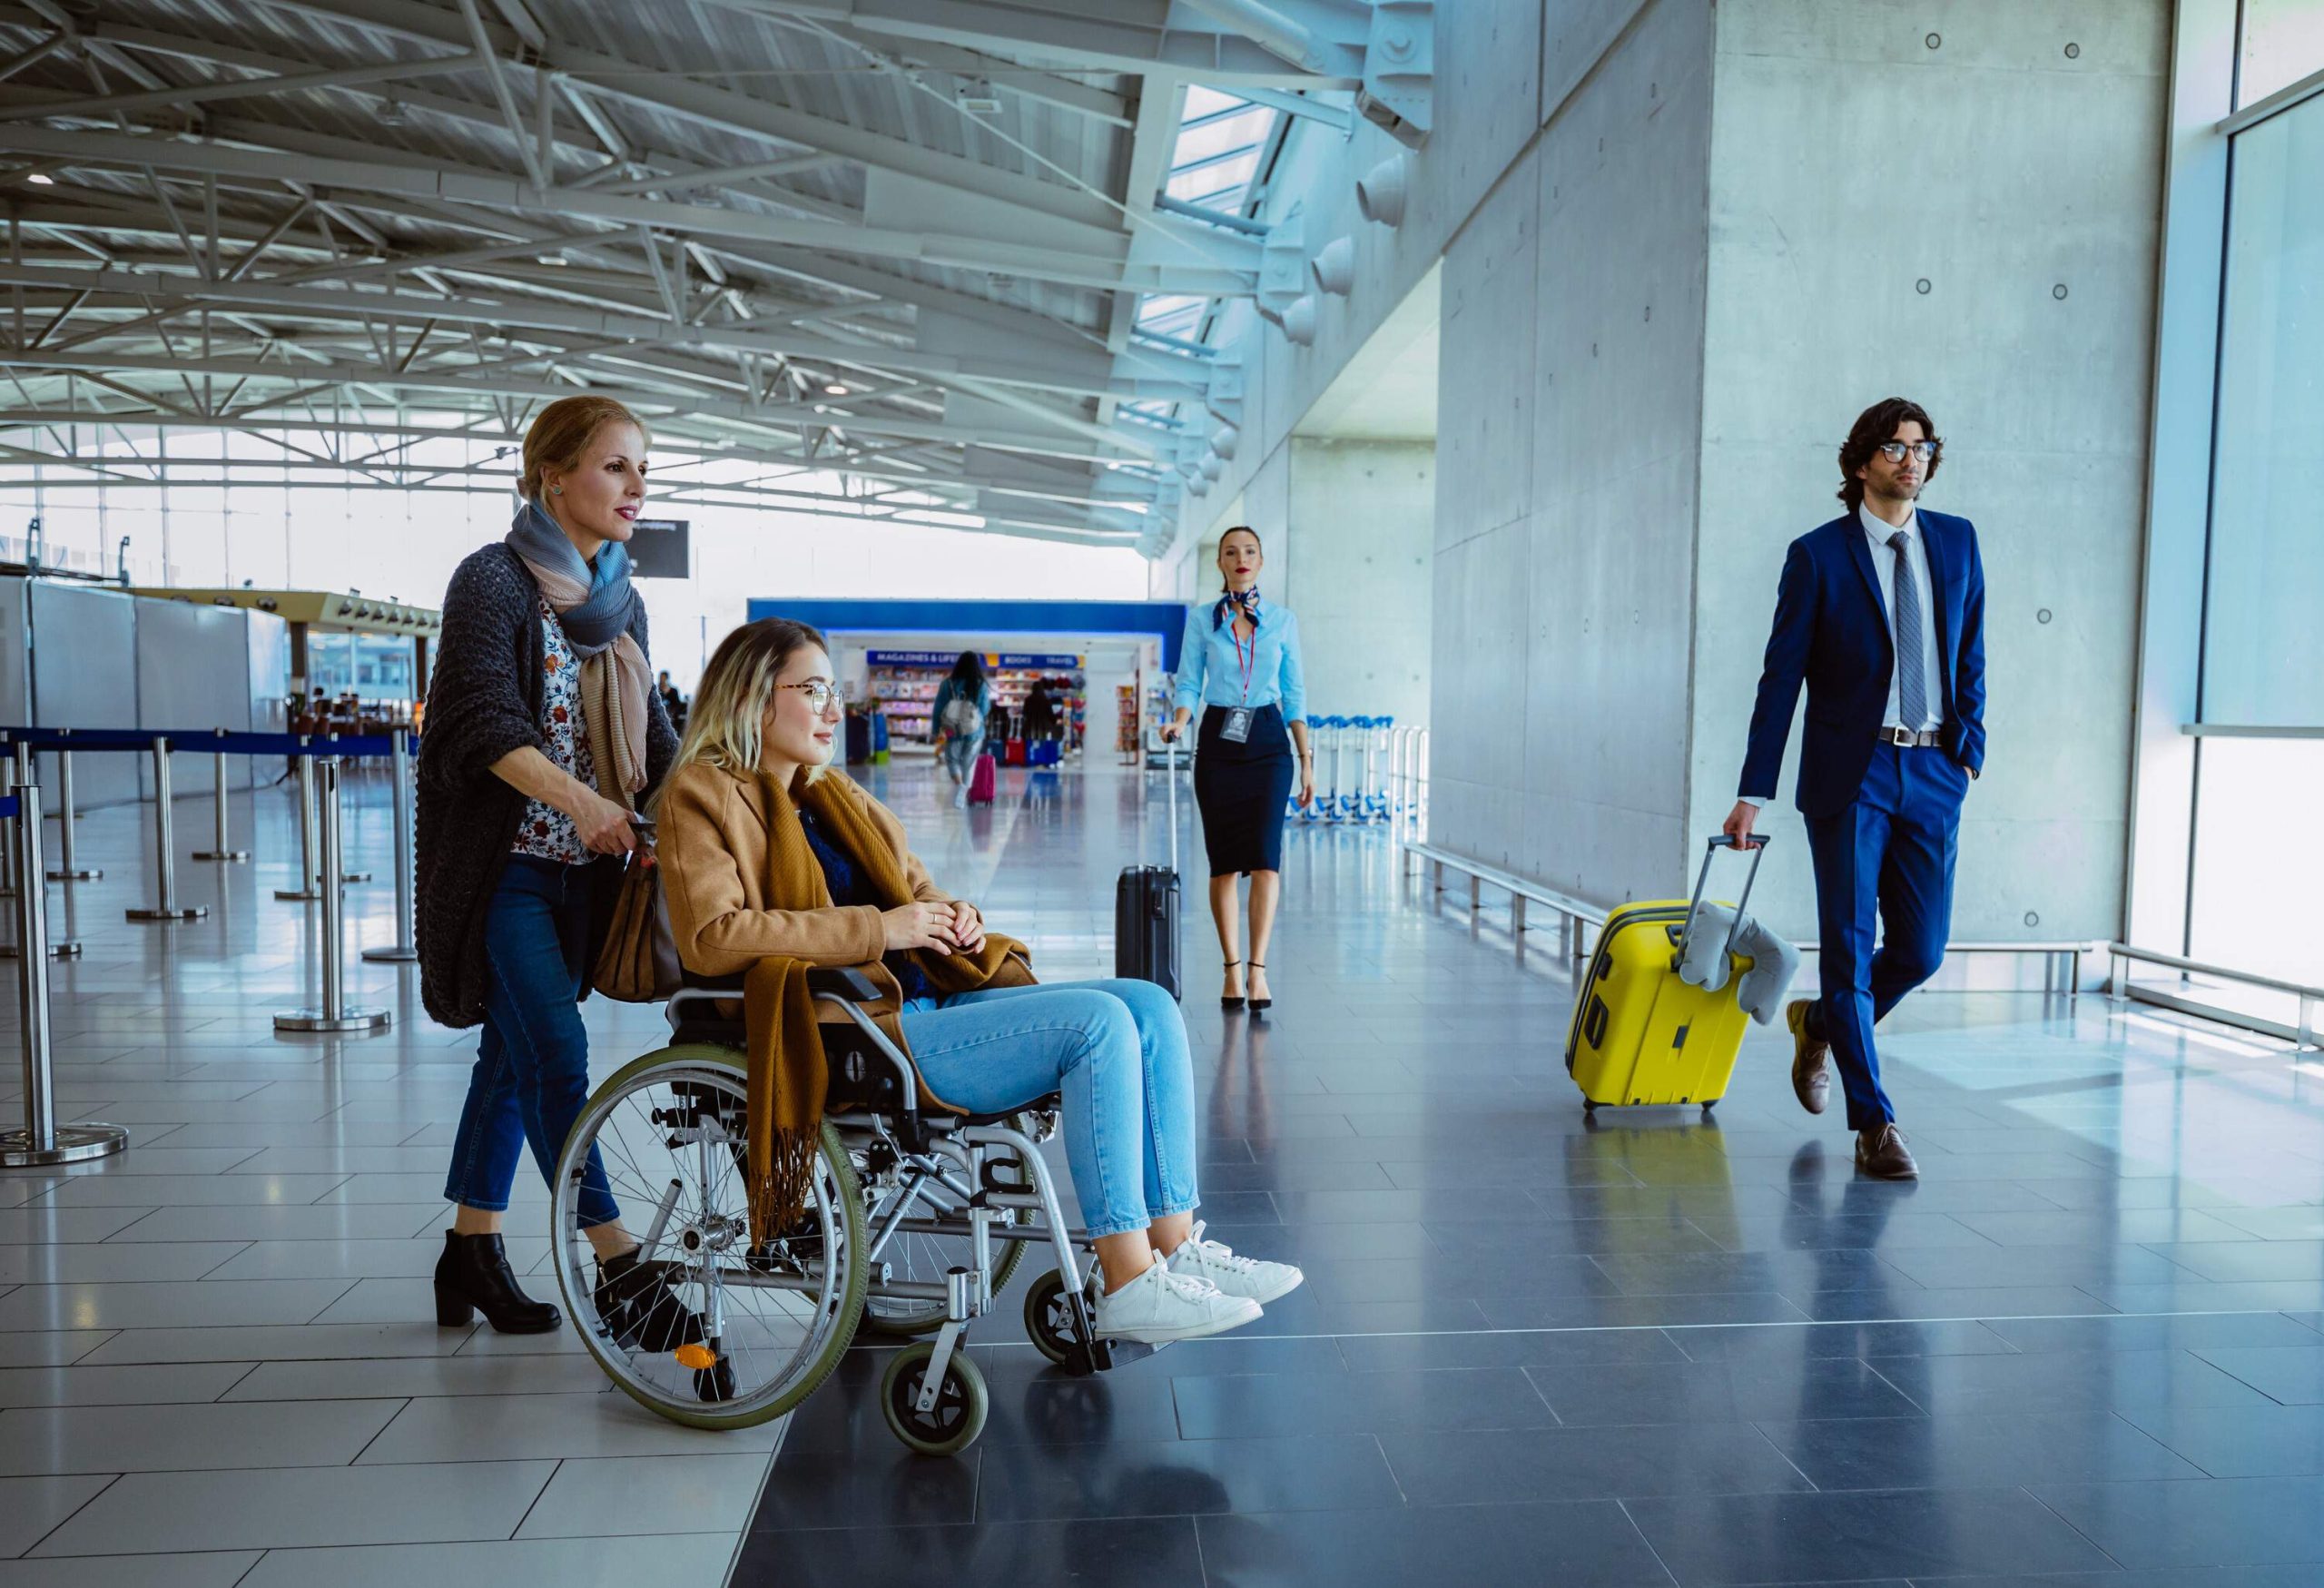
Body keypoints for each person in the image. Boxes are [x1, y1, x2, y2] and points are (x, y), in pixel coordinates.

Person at [656, 618, 1304, 1344]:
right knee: (1096, 1026)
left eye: (832, 690)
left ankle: (1176, 1247)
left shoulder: (832, 796)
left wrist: (949, 914)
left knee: (1148, 1004)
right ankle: (1126, 1279)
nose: (835, 709)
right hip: (859, 1028)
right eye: (813, 690)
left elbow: (915, 888)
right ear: (751, 698)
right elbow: (713, 938)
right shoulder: (702, 795)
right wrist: (883, 928)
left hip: (927, 994)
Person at [417, 393, 698, 1345]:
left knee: (513, 1057)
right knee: (558, 1058)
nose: (637, 486)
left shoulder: (621, 598)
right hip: (502, 871)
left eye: (643, 468)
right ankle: (620, 1267)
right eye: (617, 465)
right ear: (553, 474)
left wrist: (714, 802)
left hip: (587, 879)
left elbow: (655, 739)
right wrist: (583, 803)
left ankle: (470, 1248)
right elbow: (476, 724)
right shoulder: (492, 582)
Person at [1725, 397, 1987, 1181]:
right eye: (1898, 448)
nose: (1914, 460)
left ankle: (1821, 1024)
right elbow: (1781, 682)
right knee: (1846, 947)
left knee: (1920, 948)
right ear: (1863, 461)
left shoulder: (1957, 541)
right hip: (1854, 772)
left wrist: (1969, 750)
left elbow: (1971, 648)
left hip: (1935, 769)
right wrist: (1753, 791)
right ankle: (1875, 1124)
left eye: (1923, 447)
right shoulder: (1818, 556)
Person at [1163, 527, 1313, 1012]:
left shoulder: (1284, 622)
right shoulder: (1202, 621)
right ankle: (1231, 969)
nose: (1240, 558)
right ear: (1221, 564)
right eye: (1231, 552)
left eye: (1249, 551)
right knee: (1224, 861)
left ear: (1261, 561)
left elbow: (1294, 695)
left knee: (1267, 858)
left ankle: (1259, 970)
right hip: (1219, 737)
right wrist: (1179, 722)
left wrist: (1306, 761)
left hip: (1269, 741)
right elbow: (1189, 682)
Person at [929, 649, 991, 807]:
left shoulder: (948, 683)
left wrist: (936, 730)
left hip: (953, 730)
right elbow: (984, 710)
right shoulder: (981, 684)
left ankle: (959, 785)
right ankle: (966, 789)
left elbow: (938, 708)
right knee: (969, 763)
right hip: (975, 731)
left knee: (952, 760)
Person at [656, 669, 687, 733]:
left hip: (671, 714)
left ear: (667, 679)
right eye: (661, 678)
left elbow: (677, 704)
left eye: (663, 678)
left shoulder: (673, 691)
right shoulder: (656, 691)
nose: (662, 680)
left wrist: (672, 713)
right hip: (660, 714)